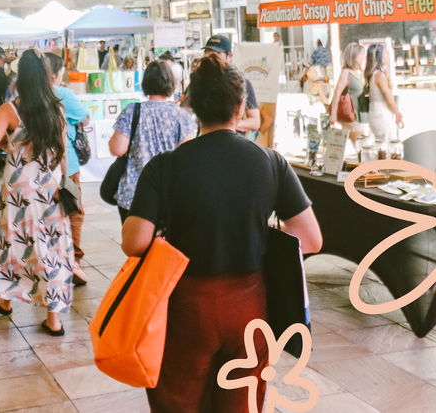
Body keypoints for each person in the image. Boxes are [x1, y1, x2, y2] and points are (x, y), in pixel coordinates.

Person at [121, 57, 322, 412]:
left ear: (192, 107)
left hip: (187, 307)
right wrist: (263, 230)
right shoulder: (271, 162)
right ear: (241, 106)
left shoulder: (165, 167)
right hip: (250, 307)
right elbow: (310, 239)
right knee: (242, 401)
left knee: (178, 401)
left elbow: (134, 242)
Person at [0, 50, 73, 335]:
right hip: (50, 187)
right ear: (47, 76)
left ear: (20, 76)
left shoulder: (9, 111)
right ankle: (54, 319)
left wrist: (9, 143)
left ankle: (5, 299)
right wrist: (66, 183)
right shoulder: (56, 107)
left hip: (18, 190)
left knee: (15, 243)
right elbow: (63, 151)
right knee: (52, 248)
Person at [110, 60, 197, 224]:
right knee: (165, 247)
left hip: (134, 194)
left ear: (145, 83)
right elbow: (187, 156)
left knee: (136, 246)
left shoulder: (132, 111)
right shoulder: (181, 116)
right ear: (170, 84)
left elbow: (118, 149)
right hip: (169, 194)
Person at [44, 51, 91, 284]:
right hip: (66, 164)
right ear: (55, 73)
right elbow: (85, 117)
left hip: (38, 166)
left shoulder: (24, 96)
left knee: (47, 214)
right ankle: (74, 260)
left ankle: (49, 260)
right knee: (73, 210)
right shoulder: (63, 94)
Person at [202, 35, 260, 134]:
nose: (209, 58)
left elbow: (255, 122)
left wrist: (227, 125)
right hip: (205, 143)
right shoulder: (200, 82)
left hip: (234, 144)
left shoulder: (241, 83)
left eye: (216, 54)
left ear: (230, 57)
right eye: (207, 52)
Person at [364, 43, 404, 143]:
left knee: (382, 146)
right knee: (389, 147)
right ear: (379, 56)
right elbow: (388, 98)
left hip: (376, 114)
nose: (387, 55)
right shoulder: (379, 75)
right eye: (385, 53)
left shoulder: (373, 74)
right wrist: (397, 113)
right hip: (382, 115)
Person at [329, 42, 367, 141]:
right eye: (361, 54)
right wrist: (333, 115)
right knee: (360, 145)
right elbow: (337, 94)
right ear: (354, 56)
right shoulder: (346, 73)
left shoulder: (356, 73)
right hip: (351, 115)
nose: (363, 57)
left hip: (357, 115)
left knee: (354, 144)